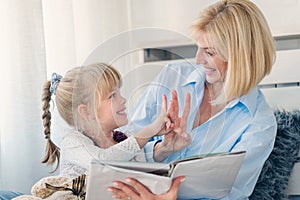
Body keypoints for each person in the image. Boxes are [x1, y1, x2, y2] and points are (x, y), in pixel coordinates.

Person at [109, 0, 277, 199]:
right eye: (198, 48)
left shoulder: (259, 124)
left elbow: (226, 193)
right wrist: (159, 150)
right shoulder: (172, 77)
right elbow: (121, 147)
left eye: (209, 52)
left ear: (240, 57)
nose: (198, 59)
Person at [41, 62, 175, 178]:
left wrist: (167, 148)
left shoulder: (122, 139)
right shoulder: (72, 143)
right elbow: (103, 161)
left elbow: (142, 174)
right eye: (113, 96)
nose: (123, 100)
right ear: (87, 112)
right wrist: (149, 130)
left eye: (119, 93)